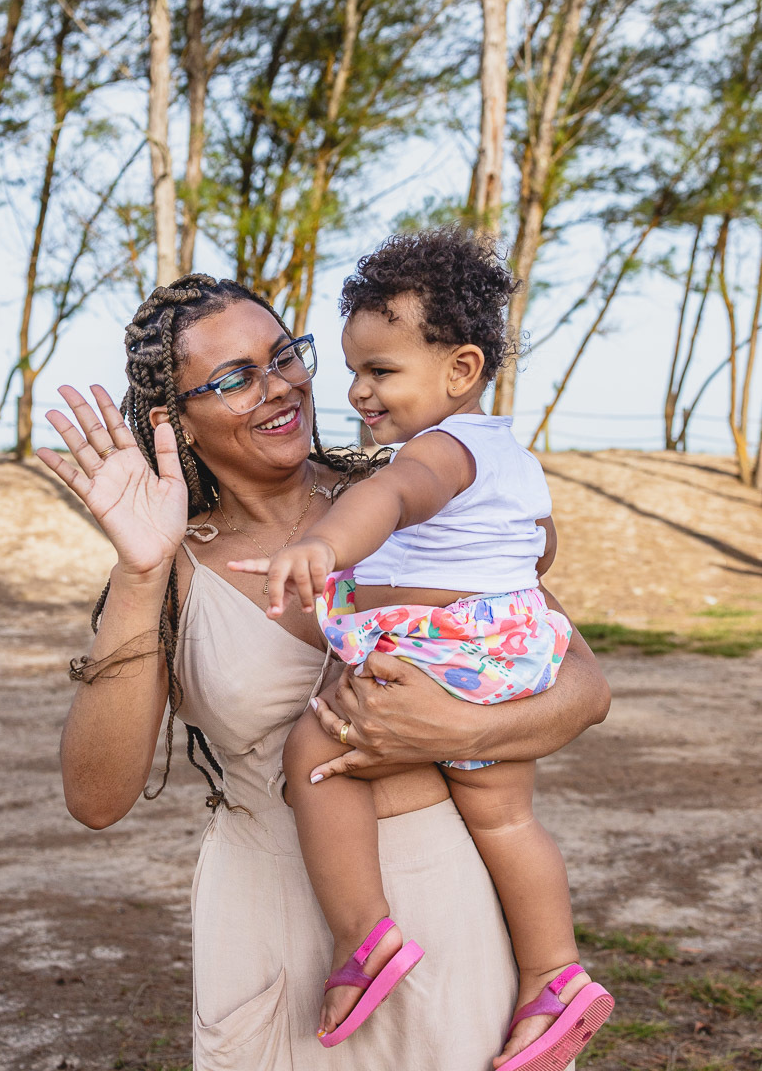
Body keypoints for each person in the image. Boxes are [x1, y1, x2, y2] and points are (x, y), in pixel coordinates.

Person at [38, 272, 611, 1071]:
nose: (279, 388)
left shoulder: (406, 498)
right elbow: (96, 799)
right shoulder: (169, 570)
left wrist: (466, 730)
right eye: (235, 378)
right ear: (178, 423)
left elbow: (585, 688)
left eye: (283, 356)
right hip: (272, 916)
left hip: (451, 901)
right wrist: (142, 570)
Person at [229, 229, 613, 1069]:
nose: (360, 391)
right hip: (502, 647)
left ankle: (363, 936)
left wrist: (326, 546)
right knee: (507, 818)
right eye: (354, 369)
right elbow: (537, 544)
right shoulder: (510, 453)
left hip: (439, 649)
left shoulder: (436, 450)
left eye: (382, 371)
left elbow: (397, 495)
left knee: (313, 750)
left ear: (461, 370)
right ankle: (553, 975)